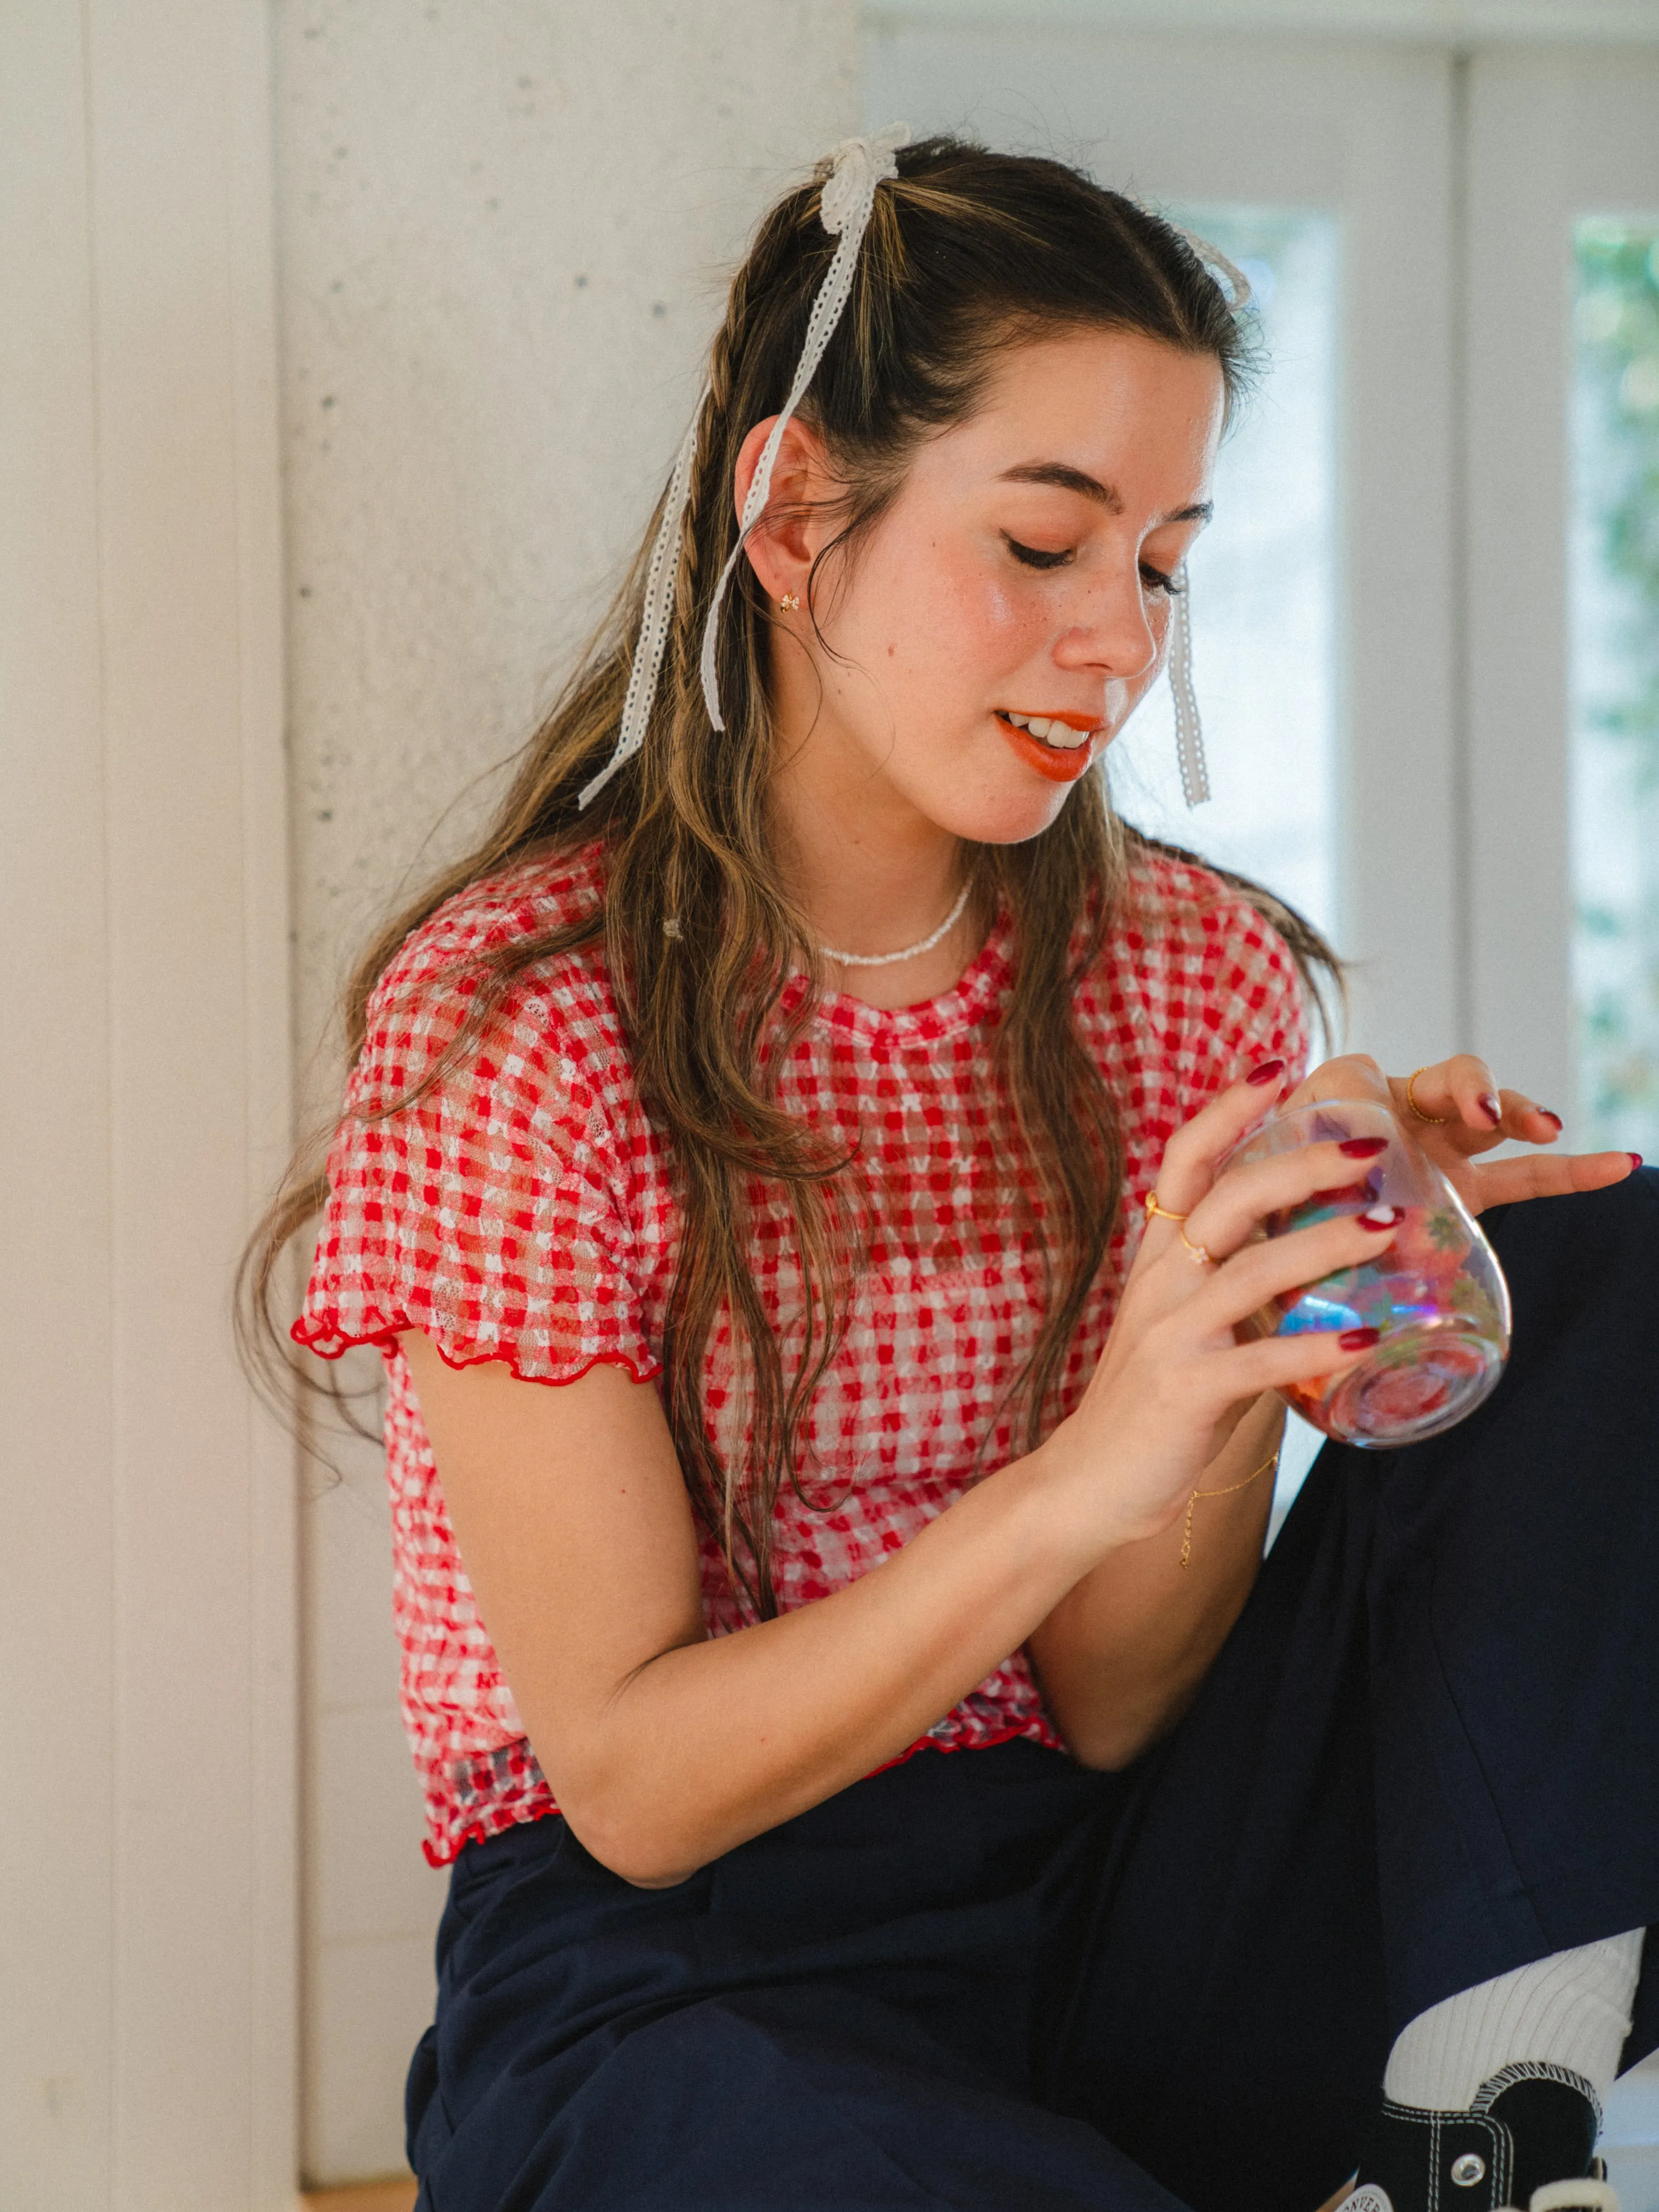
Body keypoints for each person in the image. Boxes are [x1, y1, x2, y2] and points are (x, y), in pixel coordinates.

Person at [247, 135, 1659, 2212]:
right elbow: (634, 1792)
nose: (1117, 641)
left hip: (1105, 1914)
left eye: (1163, 565)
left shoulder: (1188, 973)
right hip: (669, 1985)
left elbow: (1112, 1712)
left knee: (1603, 1269)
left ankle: (1498, 2101)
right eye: (1043, 541)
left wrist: (1235, 1316)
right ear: (797, 509)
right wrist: (1107, 1446)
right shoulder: (525, 1018)